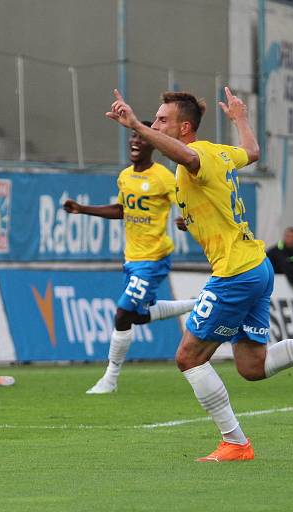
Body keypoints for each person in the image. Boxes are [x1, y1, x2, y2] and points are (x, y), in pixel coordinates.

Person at [105, 86, 293, 461]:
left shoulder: (196, 154)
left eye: (162, 120)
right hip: (255, 265)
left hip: (235, 272)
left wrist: (134, 124)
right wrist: (240, 119)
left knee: (188, 357)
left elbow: (186, 155)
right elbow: (251, 152)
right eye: (153, 119)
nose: (155, 124)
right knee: (253, 365)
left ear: (185, 127)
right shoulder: (218, 151)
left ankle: (235, 443)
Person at [63, 122, 195, 394]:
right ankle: (194, 304)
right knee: (137, 316)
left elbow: (186, 204)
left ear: (153, 143)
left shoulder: (164, 177)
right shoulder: (124, 176)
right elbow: (122, 210)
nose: (135, 141)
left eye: (141, 137)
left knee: (122, 313)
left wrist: (187, 219)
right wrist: (82, 209)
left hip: (154, 259)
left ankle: (110, 378)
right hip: (131, 260)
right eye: (133, 136)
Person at [265, 226, 293, 300]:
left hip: (288, 289)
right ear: (284, 236)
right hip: (275, 286)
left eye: (292, 237)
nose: (290, 239)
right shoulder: (276, 251)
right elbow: (288, 269)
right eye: (288, 236)